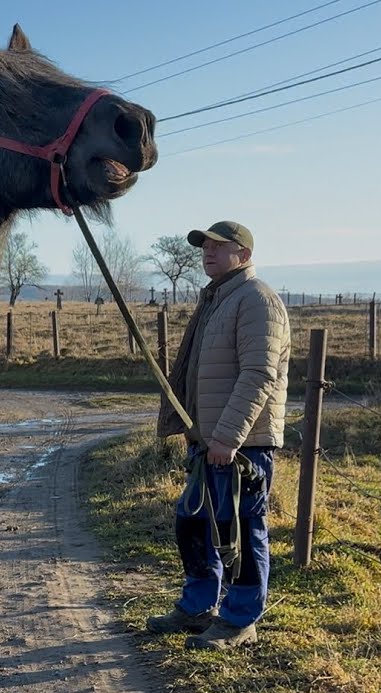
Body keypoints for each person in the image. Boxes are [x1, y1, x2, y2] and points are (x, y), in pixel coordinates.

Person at [150, 220, 291, 650]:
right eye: (205, 247)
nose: (207, 253)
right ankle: (198, 607)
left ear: (244, 255)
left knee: (243, 530)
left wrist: (228, 437)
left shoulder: (256, 301)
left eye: (219, 247)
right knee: (192, 523)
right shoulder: (217, 300)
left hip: (242, 445)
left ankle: (240, 619)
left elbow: (258, 374)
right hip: (209, 441)